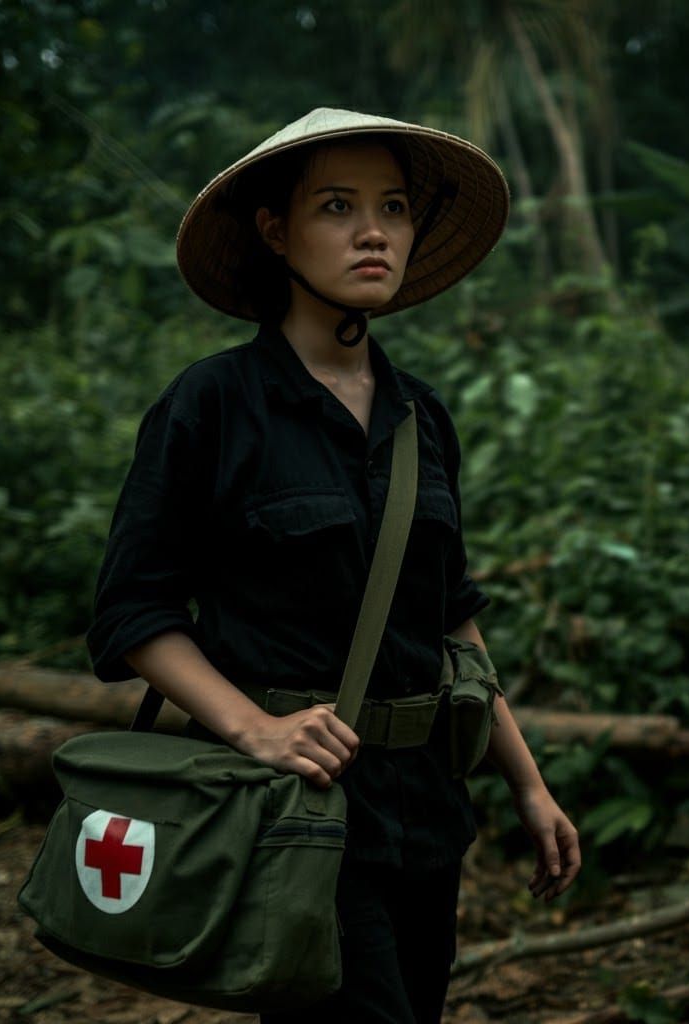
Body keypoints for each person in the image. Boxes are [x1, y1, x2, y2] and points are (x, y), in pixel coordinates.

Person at [86, 108, 580, 1024]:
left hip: (427, 815)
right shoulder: (213, 405)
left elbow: (452, 620)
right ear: (276, 231)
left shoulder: (421, 417)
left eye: (393, 208)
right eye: (338, 207)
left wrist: (527, 781)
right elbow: (133, 612)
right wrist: (253, 730)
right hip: (296, 816)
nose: (373, 232)